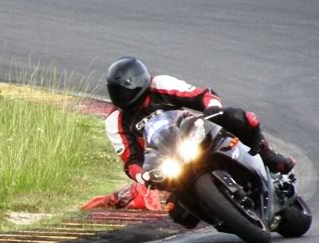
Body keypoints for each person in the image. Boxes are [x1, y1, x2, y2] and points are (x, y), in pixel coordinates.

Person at [105, 56, 295, 228]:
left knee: (239, 118)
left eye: (125, 90)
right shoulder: (115, 120)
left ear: (140, 81)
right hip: (165, 158)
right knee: (178, 214)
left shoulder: (160, 84)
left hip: (193, 134)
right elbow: (131, 160)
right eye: (116, 91)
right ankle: (223, 216)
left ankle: (269, 157)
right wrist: (141, 176)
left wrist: (211, 107)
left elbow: (199, 95)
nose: (122, 96)